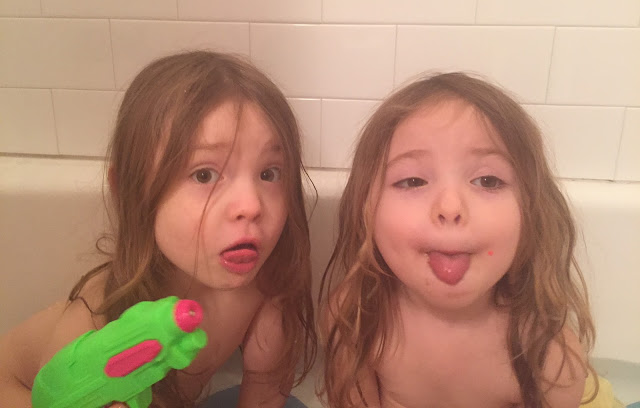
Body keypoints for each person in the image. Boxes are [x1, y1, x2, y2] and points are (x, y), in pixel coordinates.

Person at [0, 51, 316, 407]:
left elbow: (264, 391)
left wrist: (268, 365)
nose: (251, 205)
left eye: (269, 173)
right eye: (204, 175)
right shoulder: (99, 316)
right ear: (130, 190)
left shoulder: (261, 289)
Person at [319, 72, 598, 408]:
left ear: (532, 211)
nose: (450, 208)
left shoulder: (548, 356)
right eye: (412, 181)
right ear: (365, 209)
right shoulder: (357, 318)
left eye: (488, 181)